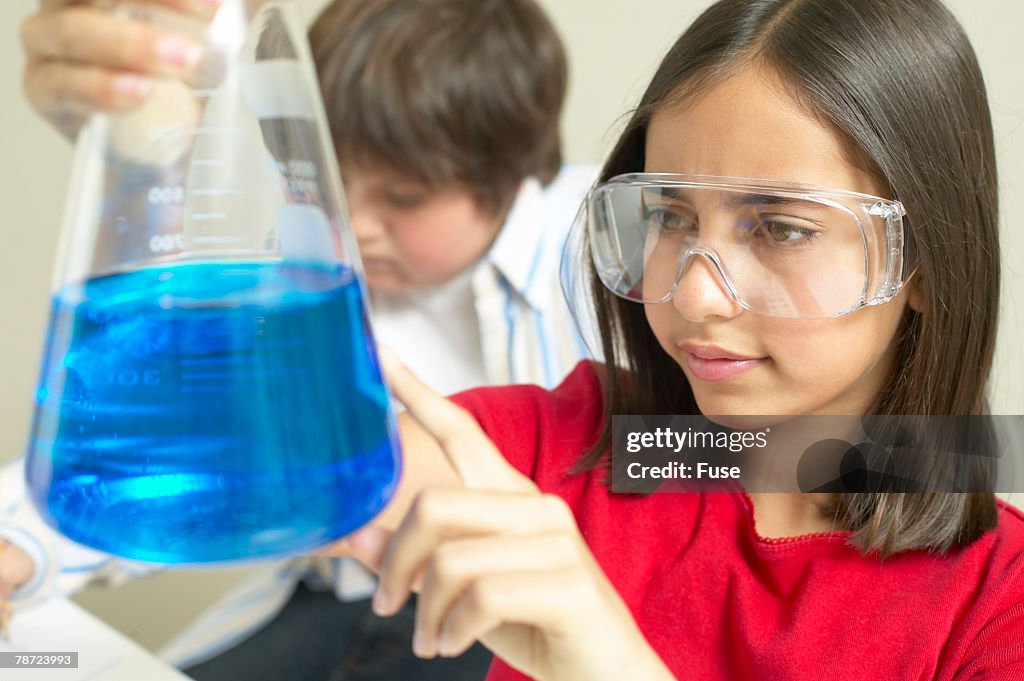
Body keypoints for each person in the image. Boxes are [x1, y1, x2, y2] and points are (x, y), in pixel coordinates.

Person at [320, 0, 1022, 678]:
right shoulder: (584, 440)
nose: (693, 294)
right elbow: (287, 465)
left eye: (781, 228)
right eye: (670, 216)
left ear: (923, 260)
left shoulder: (1000, 606)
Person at [4, 0, 593, 678]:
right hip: (335, 593)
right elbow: (189, 442)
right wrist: (18, 540)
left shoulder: (601, 258)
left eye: (403, 197)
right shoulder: (302, 258)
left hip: (507, 610)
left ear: (510, 173)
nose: (359, 224)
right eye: (332, 181)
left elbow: (718, 454)